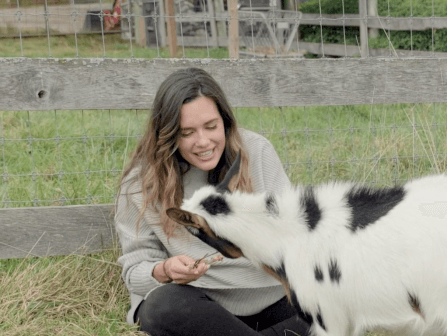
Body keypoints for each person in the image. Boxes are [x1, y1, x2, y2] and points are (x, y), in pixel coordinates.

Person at [115, 67, 309, 336]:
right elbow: (135, 271)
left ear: (225, 121)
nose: (203, 142)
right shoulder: (140, 181)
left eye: (211, 126)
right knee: (160, 308)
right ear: (168, 134)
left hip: (275, 296)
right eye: (187, 133)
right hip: (204, 307)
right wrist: (165, 270)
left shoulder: (257, 151)